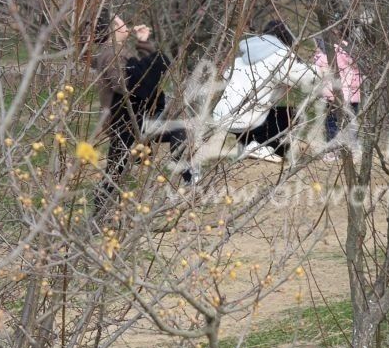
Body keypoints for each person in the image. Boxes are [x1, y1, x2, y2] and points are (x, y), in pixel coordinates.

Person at [94, 13, 189, 211]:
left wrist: (144, 43)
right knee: (114, 172)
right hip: (124, 122)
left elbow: (142, 75)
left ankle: (189, 176)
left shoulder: (117, 50)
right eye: (121, 22)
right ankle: (98, 214)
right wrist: (151, 66)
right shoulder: (110, 53)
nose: (125, 25)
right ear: (111, 30)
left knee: (115, 171)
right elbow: (127, 84)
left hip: (134, 119)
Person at [211, 20, 318, 162]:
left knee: (264, 111)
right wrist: (320, 70)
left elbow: (226, 78)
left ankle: (249, 147)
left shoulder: (243, 56)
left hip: (225, 116)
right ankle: (260, 146)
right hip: (249, 118)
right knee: (291, 114)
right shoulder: (279, 54)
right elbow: (303, 78)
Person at [312, 34, 362, 148]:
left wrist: (317, 56)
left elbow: (318, 73)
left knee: (332, 123)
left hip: (333, 96)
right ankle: (353, 148)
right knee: (351, 123)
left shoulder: (324, 56)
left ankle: (334, 150)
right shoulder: (350, 51)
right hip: (353, 96)